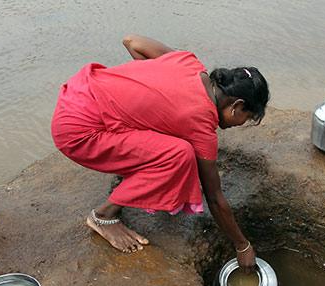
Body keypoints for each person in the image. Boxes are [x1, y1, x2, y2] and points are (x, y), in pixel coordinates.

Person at [51, 34, 269, 272]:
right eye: (246, 118)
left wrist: (150, 84)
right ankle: (103, 216)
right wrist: (242, 245)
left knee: (169, 135)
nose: (241, 124)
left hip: (78, 92)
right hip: (78, 131)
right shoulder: (200, 124)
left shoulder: (188, 62)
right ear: (236, 106)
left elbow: (132, 41)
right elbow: (214, 197)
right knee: (179, 154)